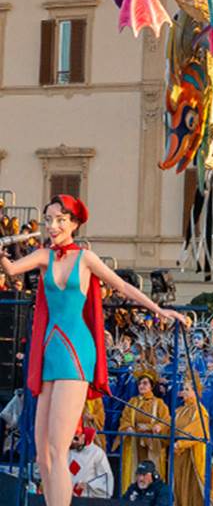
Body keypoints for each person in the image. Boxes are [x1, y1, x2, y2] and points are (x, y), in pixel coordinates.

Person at [0, 195, 187, 506]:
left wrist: (160, 309)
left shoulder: (85, 258)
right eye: (49, 219)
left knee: (59, 448)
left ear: (74, 223)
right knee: (42, 451)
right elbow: (12, 270)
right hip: (49, 351)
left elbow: (122, 286)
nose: (53, 225)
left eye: (60, 219)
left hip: (76, 351)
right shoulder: (45, 255)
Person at [173, 375, 213, 506]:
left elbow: (197, 430)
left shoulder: (200, 411)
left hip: (193, 455)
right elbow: (170, 426)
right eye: (183, 388)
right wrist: (159, 428)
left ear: (195, 392)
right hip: (180, 456)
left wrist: (181, 443)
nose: (183, 391)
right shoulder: (179, 410)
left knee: (196, 486)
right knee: (181, 485)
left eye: (187, 389)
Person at [115, 367, 172, 485]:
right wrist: (128, 427)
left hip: (152, 442)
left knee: (152, 469)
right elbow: (124, 419)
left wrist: (159, 427)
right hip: (135, 441)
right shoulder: (132, 402)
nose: (142, 386)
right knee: (135, 469)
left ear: (151, 386)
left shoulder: (159, 403)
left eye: (145, 383)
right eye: (139, 383)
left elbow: (166, 420)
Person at [67, 424, 114, 498]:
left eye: (76, 438)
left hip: (87, 499)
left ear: (84, 437)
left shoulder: (97, 453)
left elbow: (106, 478)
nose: (73, 441)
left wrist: (87, 485)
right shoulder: (69, 451)